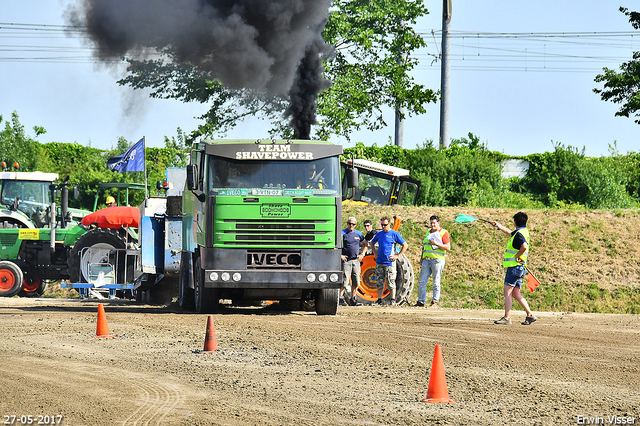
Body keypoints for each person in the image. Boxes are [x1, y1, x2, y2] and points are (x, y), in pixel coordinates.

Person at [491, 212, 537, 325]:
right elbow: (511, 233)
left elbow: (524, 246)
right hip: (520, 267)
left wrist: (517, 256)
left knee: (507, 292)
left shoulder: (519, 234)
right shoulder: (523, 232)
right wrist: (499, 226)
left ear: (515, 222)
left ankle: (507, 318)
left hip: (514, 267)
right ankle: (530, 315)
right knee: (516, 293)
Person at [370, 216, 408, 306]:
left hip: (390, 262)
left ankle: (392, 300)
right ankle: (379, 300)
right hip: (380, 262)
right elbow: (372, 242)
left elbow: (405, 245)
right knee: (379, 281)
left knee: (391, 281)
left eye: (385, 225)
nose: (383, 227)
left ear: (389, 224)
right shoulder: (379, 234)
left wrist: (397, 256)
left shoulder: (394, 234)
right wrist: (375, 253)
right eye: (382, 225)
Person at [415, 215, 450, 308]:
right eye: (431, 223)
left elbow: (448, 247)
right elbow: (425, 246)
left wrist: (436, 244)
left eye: (434, 223)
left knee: (436, 281)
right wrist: (422, 257)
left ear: (438, 223)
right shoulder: (428, 232)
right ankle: (421, 301)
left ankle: (435, 302)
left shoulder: (443, 233)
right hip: (426, 260)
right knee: (421, 281)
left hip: (437, 260)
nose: (432, 225)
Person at [340, 216, 365, 306]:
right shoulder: (342, 233)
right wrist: (340, 255)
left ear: (355, 225)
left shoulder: (358, 234)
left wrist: (362, 254)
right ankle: (340, 298)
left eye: (353, 224)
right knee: (345, 281)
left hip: (356, 261)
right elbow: (336, 245)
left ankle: (353, 299)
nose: (351, 225)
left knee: (356, 280)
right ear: (347, 223)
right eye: (349, 224)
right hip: (346, 261)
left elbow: (365, 244)